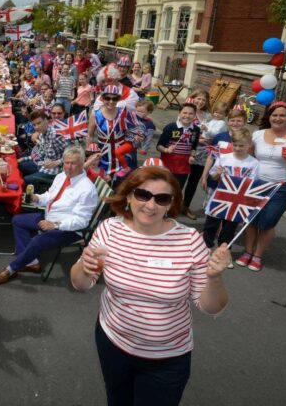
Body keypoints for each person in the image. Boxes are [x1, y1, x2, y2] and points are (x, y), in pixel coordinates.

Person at [70, 166, 230, 406]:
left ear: (170, 204)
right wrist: (85, 265)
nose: (150, 205)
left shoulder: (189, 241)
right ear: (129, 195)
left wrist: (215, 277)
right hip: (112, 342)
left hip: (167, 358)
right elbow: (80, 284)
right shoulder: (109, 229)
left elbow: (210, 307)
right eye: (143, 195)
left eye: (161, 198)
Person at [0, 147, 98, 284]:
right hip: (49, 217)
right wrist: (37, 198)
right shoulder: (61, 176)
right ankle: (32, 262)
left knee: (37, 240)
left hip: (68, 230)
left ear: (82, 162)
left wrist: (55, 225)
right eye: (66, 163)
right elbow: (50, 196)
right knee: (17, 220)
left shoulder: (87, 189)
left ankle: (11, 269)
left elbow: (82, 221)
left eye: (73, 163)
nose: (69, 167)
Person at [238, 101, 286, 272]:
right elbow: (247, 159)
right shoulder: (258, 134)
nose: (278, 118)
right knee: (250, 220)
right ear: (269, 117)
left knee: (267, 222)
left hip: (281, 188)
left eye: (282, 115)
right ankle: (248, 252)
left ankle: (258, 255)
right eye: (274, 115)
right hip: (256, 184)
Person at [202, 127, 259, 253]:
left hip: (237, 201)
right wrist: (217, 174)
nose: (238, 148)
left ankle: (223, 251)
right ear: (231, 143)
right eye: (235, 145)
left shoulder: (253, 163)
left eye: (242, 146)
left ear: (249, 145)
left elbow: (252, 183)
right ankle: (205, 248)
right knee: (211, 224)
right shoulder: (224, 157)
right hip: (220, 196)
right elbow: (213, 175)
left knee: (229, 229)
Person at [87, 85, 143, 177]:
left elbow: (136, 129)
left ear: (118, 99)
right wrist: (89, 155)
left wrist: (138, 136)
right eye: (107, 98)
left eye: (115, 98)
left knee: (121, 185)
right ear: (102, 98)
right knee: (103, 185)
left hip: (122, 156)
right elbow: (89, 135)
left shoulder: (124, 112)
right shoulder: (95, 114)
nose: (111, 101)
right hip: (102, 155)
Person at [156, 102, 201, 200]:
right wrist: (166, 150)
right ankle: (161, 210)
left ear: (194, 115)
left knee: (177, 190)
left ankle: (172, 210)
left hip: (183, 166)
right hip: (168, 164)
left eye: (190, 114)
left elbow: (193, 146)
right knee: (163, 188)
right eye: (184, 113)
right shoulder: (170, 127)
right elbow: (159, 146)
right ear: (179, 113)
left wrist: (192, 155)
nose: (187, 116)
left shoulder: (196, 130)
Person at [17, 110, 69, 190]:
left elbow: (72, 155)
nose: (36, 127)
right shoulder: (41, 135)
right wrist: (24, 159)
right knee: (19, 166)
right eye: (34, 125)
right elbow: (40, 154)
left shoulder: (56, 135)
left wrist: (57, 162)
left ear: (46, 120)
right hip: (42, 164)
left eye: (39, 123)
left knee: (24, 181)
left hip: (55, 171)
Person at [180, 89, 212, 219]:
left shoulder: (208, 116)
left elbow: (211, 132)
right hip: (186, 151)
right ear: (192, 98)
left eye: (203, 100)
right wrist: (198, 139)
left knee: (193, 182)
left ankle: (185, 206)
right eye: (198, 98)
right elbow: (181, 131)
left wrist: (209, 138)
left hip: (202, 153)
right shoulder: (186, 112)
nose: (200, 102)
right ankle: (172, 205)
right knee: (179, 181)